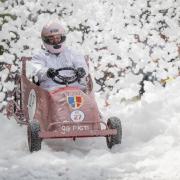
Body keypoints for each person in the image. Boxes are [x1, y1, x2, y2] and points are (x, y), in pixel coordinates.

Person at [31, 20, 89, 91]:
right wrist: (47, 72)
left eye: (58, 38)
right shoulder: (39, 56)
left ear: (62, 37)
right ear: (45, 40)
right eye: (51, 39)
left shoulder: (73, 53)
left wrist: (81, 70)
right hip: (50, 91)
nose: (55, 41)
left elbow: (81, 64)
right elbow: (37, 71)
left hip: (74, 89)